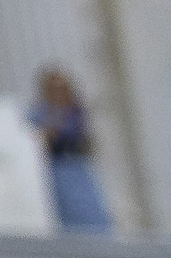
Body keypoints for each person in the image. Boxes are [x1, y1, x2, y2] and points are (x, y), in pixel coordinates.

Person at [31, 63, 117, 231]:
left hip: (77, 168)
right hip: (55, 170)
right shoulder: (40, 112)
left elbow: (84, 140)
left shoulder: (75, 112)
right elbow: (40, 140)